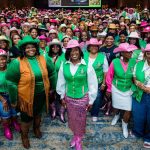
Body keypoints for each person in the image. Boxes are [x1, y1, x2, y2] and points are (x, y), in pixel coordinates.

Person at [6, 35, 56, 149]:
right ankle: (24, 136)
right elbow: (11, 82)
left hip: (42, 95)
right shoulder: (17, 62)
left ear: (36, 47)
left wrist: (53, 88)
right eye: (27, 47)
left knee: (38, 114)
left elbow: (52, 72)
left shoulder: (43, 58)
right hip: (26, 97)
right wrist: (13, 99)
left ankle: (36, 128)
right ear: (23, 49)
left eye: (32, 47)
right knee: (26, 118)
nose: (30, 49)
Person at [56, 39, 98, 149]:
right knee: (72, 118)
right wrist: (61, 96)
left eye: (76, 50)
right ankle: (75, 136)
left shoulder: (86, 65)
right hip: (69, 97)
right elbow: (61, 82)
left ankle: (79, 139)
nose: (74, 53)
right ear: (68, 52)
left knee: (81, 120)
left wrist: (91, 100)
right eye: (71, 51)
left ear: (80, 52)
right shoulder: (63, 65)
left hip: (82, 98)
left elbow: (93, 84)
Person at [106, 43, 137, 138]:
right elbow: (109, 76)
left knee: (128, 109)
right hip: (116, 88)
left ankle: (125, 126)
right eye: (128, 52)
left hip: (128, 89)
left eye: (131, 52)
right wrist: (109, 89)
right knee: (116, 107)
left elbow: (137, 76)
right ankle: (116, 115)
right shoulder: (115, 62)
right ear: (122, 53)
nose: (130, 53)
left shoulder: (134, 62)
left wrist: (134, 87)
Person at [84, 38, 108, 121]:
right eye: (92, 46)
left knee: (97, 97)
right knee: (85, 96)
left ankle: (95, 113)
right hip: (85, 80)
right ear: (89, 47)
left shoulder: (102, 57)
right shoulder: (83, 55)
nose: (94, 47)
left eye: (96, 46)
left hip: (98, 81)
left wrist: (104, 83)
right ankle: (86, 110)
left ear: (98, 47)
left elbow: (105, 71)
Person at [131, 44, 150, 149]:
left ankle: (148, 138)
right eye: (148, 53)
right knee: (138, 115)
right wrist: (137, 83)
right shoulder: (139, 64)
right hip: (139, 94)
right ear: (145, 54)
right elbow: (134, 76)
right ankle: (137, 132)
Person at [0, 49, 20, 140]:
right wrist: (3, 100)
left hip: (12, 94)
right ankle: (6, 128)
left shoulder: (10, 67)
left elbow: (16, 81)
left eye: (3, 59)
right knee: (6, 115)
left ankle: (14, 122)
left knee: (14, 113)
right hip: (1, 97)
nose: (2, 61)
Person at [48, 39, 66, 123]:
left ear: (59, 48)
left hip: (61, 81)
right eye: (53, 46)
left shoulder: (64, 56)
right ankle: (54, 111)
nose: (55, 48)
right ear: (51, 48)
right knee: (51, 97)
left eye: (57, 46)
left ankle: (61, 113)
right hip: (50, 81)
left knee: (61, 97)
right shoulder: (47, 57)